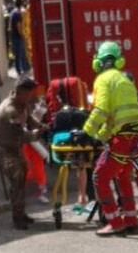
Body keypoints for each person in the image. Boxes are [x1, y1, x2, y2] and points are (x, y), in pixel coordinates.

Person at [83, 41, 138, 237]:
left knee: (99, 178)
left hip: (123, 140)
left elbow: (101, 110)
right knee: (122, 177)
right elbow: (114, 117)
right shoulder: (124, 80)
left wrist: (87, 132)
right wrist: (101, 135)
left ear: (99, 62)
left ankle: (115, 223)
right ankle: (131, 221)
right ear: (117, 60)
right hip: (135, 139)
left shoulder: (103, 80)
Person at [0, 78, 44, 230]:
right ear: (21, 92)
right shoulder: (9, 111)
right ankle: (17, 219)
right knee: (17, 184)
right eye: (30, 94)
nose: (32, 97)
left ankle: (21, 214)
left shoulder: (22, 104)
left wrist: (42, 126)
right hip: (5, 152)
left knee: (22, 182)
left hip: (15, 149)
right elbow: (21, 134)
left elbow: (29, 119)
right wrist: (37, 134)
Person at [45, 76, 91, 207]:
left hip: (61, 143)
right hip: (79, 139)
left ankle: (63, 200)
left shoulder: (58, 113)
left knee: (64, 168)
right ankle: (82, 196)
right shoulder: (80, 89)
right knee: (81, 167)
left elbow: (48, 113)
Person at [10, 0, 30, 77]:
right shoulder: (18, 14)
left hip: (13, 36)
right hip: (18, 37)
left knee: (19, 54)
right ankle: (20, 71)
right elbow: (19, 27)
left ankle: (22, 69)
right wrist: (23, 36)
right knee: (20, 54)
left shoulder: (12, 13)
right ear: (21, 5)